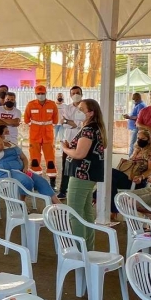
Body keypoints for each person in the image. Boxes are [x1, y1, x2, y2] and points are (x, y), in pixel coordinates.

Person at [61, 99, 106, 251]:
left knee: (74, 213)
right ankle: (88, 249)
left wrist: (65, 149)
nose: (77, 111)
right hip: (87, 175)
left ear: (90, 113)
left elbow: (80, 154)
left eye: (81, 109)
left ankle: (80, 251)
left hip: (82, 175)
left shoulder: (89, 129)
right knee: (86, 213)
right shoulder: (93, 127)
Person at [0, 125, 60, 205]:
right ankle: (21, 203)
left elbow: (24, 158)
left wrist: (26, 167)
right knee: (26, 181)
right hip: (7, 172)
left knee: (42, 181)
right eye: (6, 132)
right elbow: (0, 146)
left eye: (8, 132)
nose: (8, 134)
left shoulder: (12, 144)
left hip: (21, 170)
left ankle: (57, 204)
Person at [100, 129, 151, 219]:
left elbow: (150, 170)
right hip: (127, 177)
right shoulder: (137, 150)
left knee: (110, 172)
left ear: (148, 140)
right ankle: (113, 209)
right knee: (110, 179)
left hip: (136, 181)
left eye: (143, 138)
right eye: (138, 138)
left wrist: (141, 177)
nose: (140, 140)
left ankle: (96, 198)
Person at [24, 84, 58, 186]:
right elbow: (26, 119)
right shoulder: (30, 105)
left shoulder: (52, 105)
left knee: (50, 160)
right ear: (35, 94)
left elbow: (55, 120)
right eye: (38, 93)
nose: (40, 95)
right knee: (34, 160)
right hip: (35, 136)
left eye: (42, 93)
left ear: (46, 93)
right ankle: (36, 181)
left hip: (48, 136)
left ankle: (52, 183)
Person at [57, 86, 85, 199]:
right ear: (70, 95)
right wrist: (74, 123)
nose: (75, 95)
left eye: (77, 93)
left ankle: (80, 191)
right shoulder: (67, 108)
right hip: (68, 140)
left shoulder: (85, 107)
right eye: (73, 93)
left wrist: (73, 123)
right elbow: (63, 122)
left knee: (82, 166)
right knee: (66, 166)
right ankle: (63, 190)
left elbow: (83, 123)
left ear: (82, 94)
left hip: (83, 140)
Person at [123, 93, 146, 157]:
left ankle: (131, 159)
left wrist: (129, 117)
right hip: (134, 128)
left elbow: (139, 117)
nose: (133, 100)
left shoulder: (141, 105)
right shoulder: (137, 105)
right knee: (133, 144)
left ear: (138, 98)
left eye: (134, 99)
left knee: (133, 145)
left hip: (136, 128)